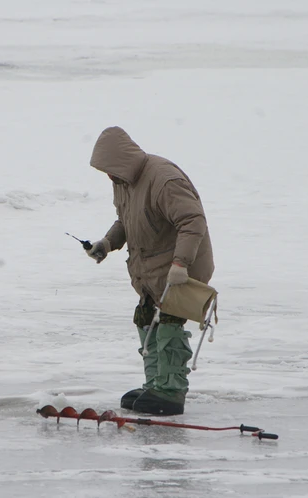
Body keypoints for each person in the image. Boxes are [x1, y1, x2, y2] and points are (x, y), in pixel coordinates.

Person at [86, 126, 214, 416]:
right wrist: (107, 243)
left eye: (109, 168)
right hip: (151, 269)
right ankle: (155, 384)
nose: (107, 175)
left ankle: (170, 392)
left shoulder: (164, 179)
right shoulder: (124, 181)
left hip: (179, 268)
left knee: (169, 323)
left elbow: (193, 221)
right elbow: (126, 219)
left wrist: (181, 263)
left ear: (122, 161)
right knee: (146, 319)